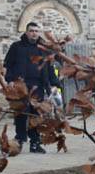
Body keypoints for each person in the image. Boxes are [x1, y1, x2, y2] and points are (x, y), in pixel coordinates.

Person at [4, 21, 57, 153]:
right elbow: (8, 65)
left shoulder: (44, 49)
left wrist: (55, 83)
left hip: (38, 86)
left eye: (36, 31)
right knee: (21, 114)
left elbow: (50, 68)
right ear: (26, 32)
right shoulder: (16, 47)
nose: (34, 33)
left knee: (36, 115)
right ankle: (20, 140)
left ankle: (35, 143)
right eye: (31, 31)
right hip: (21, 86)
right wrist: (9, 80)